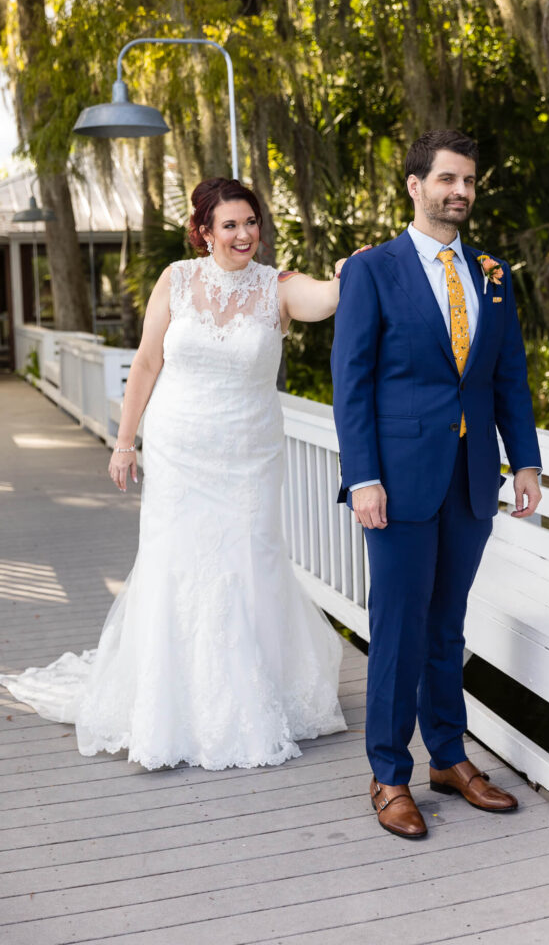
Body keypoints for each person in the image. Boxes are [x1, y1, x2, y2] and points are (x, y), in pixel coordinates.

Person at [1, 177, 348, 770]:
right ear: (205, 232)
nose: (244, 235)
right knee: (175, 564)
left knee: (249, 560)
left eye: (251, 223)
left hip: (248, 456)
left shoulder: (279, 288)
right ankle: (170, 702)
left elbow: (327, 300)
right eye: (230, 225)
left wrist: (350, 272)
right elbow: (146, 361)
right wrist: (124, 441)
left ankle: (257, 697)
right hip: (179, 450)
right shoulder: (177, 280)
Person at [331, 130, 542, 838]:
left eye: (470, 181)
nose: (461, 191)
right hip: (394, 483)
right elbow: (351, 385)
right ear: (415, 185)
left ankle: (448, 757)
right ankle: (389, 774)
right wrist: (362, 477)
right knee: (397, 628)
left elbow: (507, 376)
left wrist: (528, 461)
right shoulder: (373, 270)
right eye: (447, 178)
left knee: (447, 625)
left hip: (472, 480)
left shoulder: (492, 273)